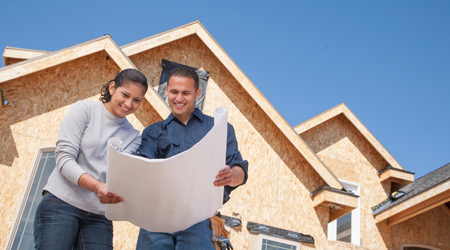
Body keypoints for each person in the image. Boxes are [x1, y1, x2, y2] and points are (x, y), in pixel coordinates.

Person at [33, 69, 149, 250]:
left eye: (136, 100)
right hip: (61, 204)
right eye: (125, 95)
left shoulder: (134, 136)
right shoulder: (84, 110)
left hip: (99, 216)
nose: (129, 103)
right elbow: (64, 159)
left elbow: (119, 175)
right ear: (112, 88)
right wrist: (97, 186)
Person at [135, 66, 248, 250]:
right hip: (157, 217)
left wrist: (232, 175)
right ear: (166, 91)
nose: (179, 98)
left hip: (199, 218)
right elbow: (142, 171)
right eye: (174, 92)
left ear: (197, 93)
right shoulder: (153, 132)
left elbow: (239, 169)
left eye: (185, 93)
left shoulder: (219, 128)